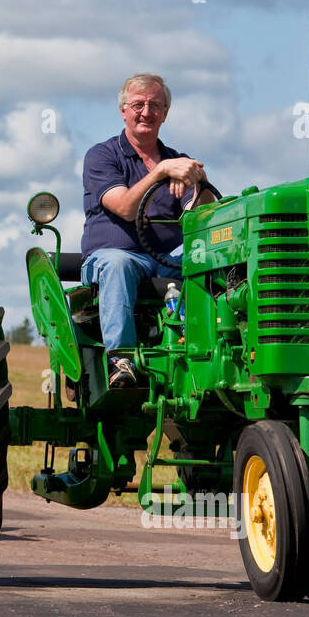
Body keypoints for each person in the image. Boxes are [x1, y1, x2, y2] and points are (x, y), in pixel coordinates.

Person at [80, 73, 214, 388]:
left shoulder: (175, 160)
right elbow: (125, 206)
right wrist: (160, 173)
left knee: (213, 261)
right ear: (123, 111)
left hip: (166, 259)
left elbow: (201, 216)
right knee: (118, 264)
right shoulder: (102, 156)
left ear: (165, 113)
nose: (146, 112)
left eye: (155, 105)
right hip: (115, 256)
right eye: (138, 104)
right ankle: (121, 361)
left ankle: (207, 354)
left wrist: (200, 182)